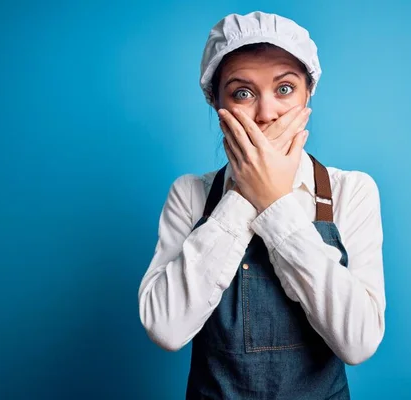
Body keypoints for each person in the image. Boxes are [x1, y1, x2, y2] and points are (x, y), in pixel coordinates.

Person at [138, 11, 386, 399]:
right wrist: (242, 197)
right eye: (243, 93)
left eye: (284, 89)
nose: (267, 113)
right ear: (215, 103)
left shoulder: (350, 191)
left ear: (309, 95)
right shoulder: (189, 194)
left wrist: (275, 202)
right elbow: (166, 329)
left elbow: (358, 342)